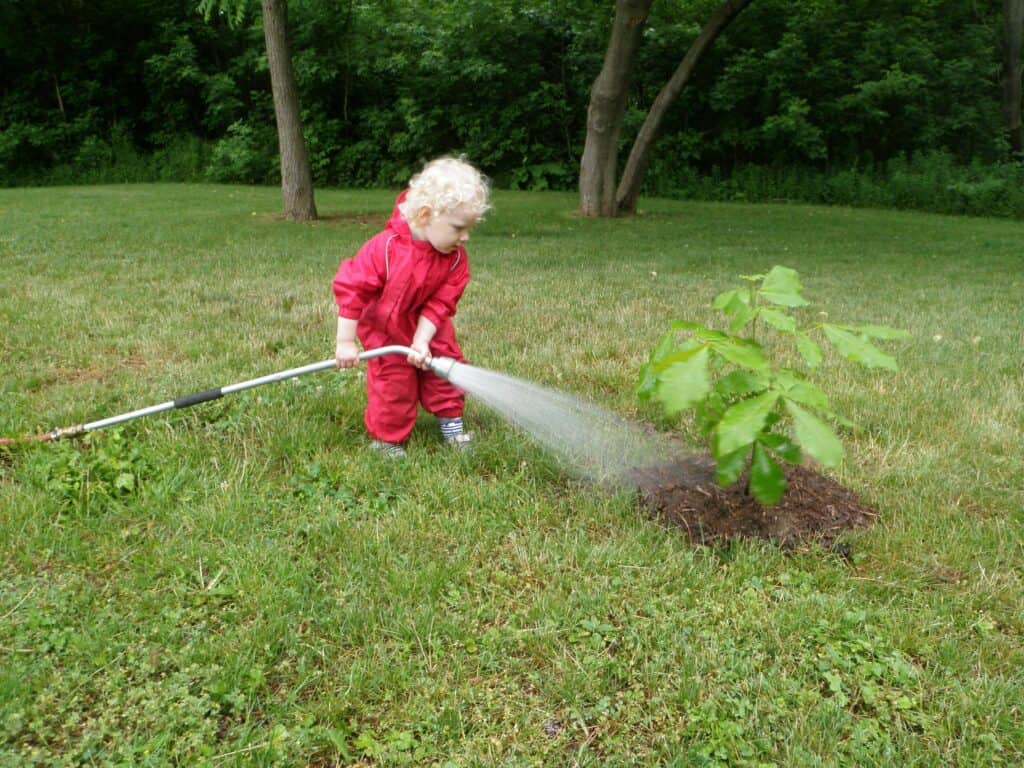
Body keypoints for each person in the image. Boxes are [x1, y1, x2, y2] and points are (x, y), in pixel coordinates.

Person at [332, 156, 490, 458]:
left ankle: (451, 424)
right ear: (426, 214)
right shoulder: (386, 248)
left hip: (431, 327)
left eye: (469, 229)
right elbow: (352, 289)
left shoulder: (455, 258)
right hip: (386, 328)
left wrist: (422, 340)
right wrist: (345, 341)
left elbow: (442, 302)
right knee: (394, 385)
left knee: (445, 369)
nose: (466, 237)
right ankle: (387, 440)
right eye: (458, 228)